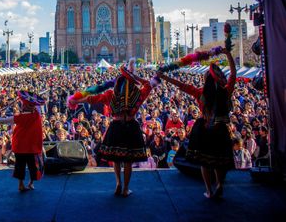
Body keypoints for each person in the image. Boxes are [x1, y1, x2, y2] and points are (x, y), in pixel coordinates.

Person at [158, 46, 236, 199]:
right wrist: (228, 54)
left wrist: (164, 77)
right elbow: (233, 73)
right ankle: (219, 183)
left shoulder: (200, 94)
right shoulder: (226, 91)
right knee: (219, 160)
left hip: (205, 129)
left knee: (205, 162)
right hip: (220, 129)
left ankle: (209, 190)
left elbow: (181, 85)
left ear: (205, 80)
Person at [70, 65, 158, 197]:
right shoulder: (138, 94)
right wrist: (135, 77)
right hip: (131, 126)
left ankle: (118, 184)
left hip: (116, 126)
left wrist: (74, 100)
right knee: (128, 160)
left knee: (116, 158)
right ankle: (125, 189)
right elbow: (149, 85)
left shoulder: (111, 94)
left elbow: (91, 98)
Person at [0, 91, 44, 192]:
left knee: (20, 166)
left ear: (25, 107)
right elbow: (36, 107)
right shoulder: (37, 116)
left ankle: (21, 184)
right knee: (33, 167)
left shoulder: (20, 117)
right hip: (31, 147)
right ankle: (30, 183)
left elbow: (5, 120)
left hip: (21, 146)